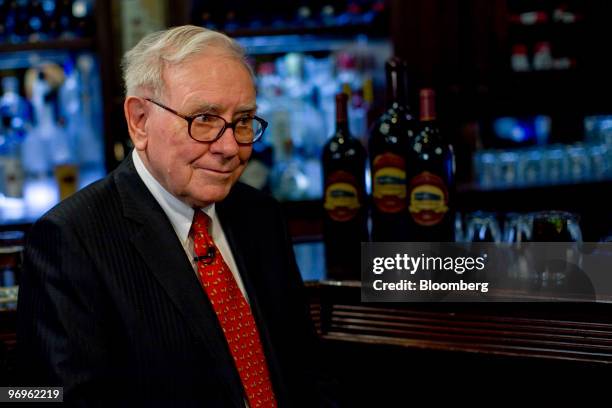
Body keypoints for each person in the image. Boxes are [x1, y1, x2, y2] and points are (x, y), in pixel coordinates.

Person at [17, 25, 332, 407]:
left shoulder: (260, 215)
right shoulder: (70, 239)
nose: (230, 147)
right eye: (204, 119)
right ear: (140, 121)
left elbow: (302, 367)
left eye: (244, 120)